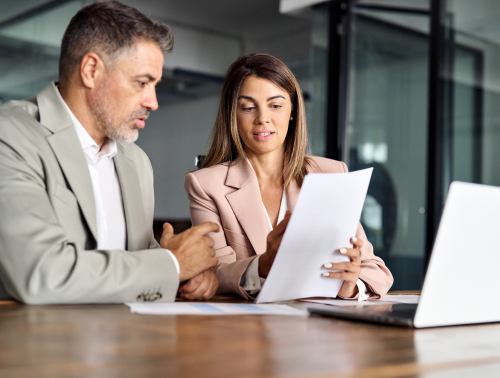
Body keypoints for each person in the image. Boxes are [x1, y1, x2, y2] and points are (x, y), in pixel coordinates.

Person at [0, 1, 219, 304]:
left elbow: (143, 263)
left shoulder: (137, 162)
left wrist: (188, 276)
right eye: (142, 82)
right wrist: (172, 265)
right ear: (91, 70)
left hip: (130, 342)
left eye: (154, 85)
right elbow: (41, 273)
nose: (153, 102)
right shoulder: (10, 135)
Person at [184, 54, 393, 300]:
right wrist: (259, 267)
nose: (263, 118)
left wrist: (351, 284)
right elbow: (212, 272)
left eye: (276, 105)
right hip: (246, 330)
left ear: (292, 111)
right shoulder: (206, 185)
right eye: (249, 107)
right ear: (233, 115)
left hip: (318, 328)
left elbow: (376, 271)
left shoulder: (330, 174)